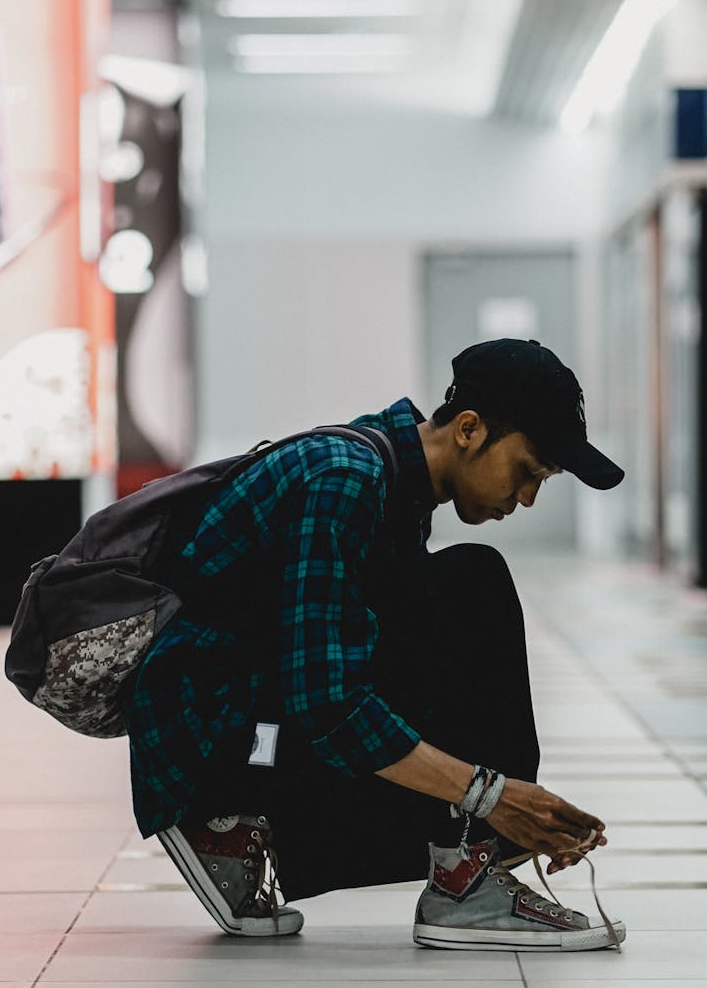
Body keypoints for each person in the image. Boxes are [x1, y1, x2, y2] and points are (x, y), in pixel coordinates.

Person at [122, 338, 626, 951]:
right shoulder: (346, 477)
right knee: (473, 586)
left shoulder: (393, 483)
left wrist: (503, 814)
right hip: (214, 743)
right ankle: (224, 818)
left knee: (451, 596)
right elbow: (326, 702)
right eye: (527, 472)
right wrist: (492, 796)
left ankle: (468, 871)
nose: (525, 498)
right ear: (469, 429)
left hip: (255, 718)